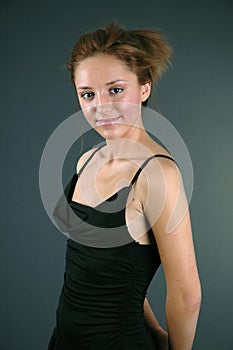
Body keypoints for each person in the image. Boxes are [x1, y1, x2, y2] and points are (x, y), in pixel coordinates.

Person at [47, 22, 201, 350]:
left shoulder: (156, 175)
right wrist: (156, 330)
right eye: (88, 94)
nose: (101, 106)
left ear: (144, 87)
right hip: (64, 341)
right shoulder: (86, 160)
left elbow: (187, 295)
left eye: (115, 90)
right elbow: (115, 273)